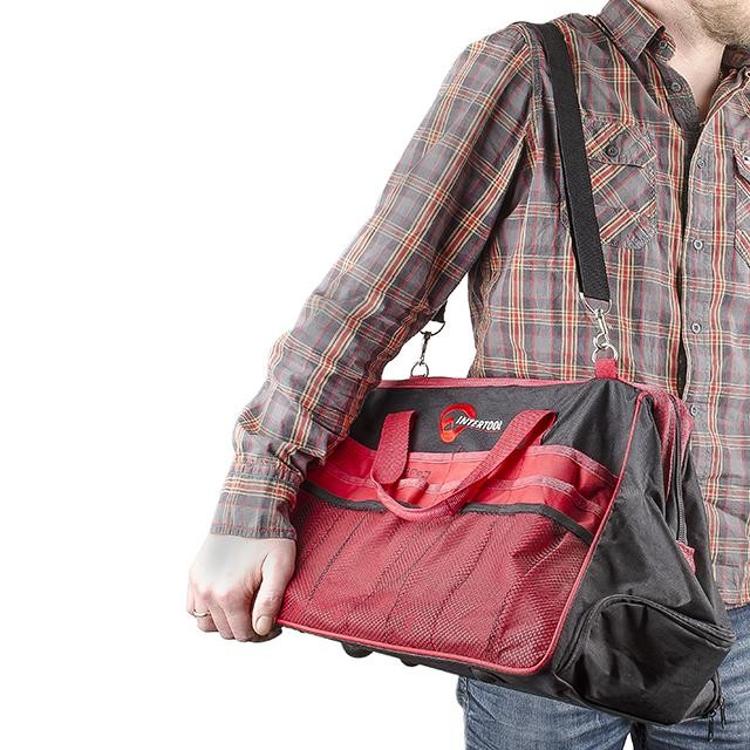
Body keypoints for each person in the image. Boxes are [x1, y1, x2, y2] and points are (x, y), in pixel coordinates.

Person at [186, 0, 750, 746]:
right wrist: (257, 496)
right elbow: (375, 295)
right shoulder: (531, 68)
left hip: (736, 616)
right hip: (541, 595)